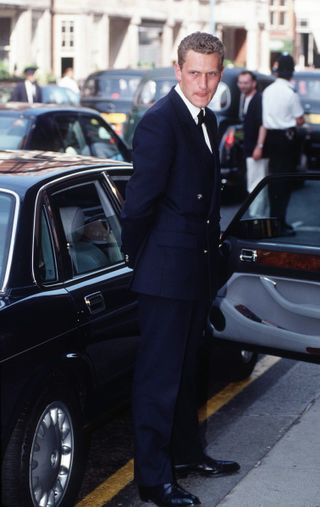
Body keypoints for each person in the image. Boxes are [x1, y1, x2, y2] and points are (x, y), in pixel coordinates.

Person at [121, 32, 240, 507]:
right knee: (158, 380)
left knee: (188, 371)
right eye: (194, 72)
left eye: (212, 73)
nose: (203, 83)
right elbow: (138, 206)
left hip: (195, 268)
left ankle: (187, 454)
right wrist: (141, 259)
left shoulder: (206, 119)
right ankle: (154, 480)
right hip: (165, 273)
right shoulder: (160, 122)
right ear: (177, 70)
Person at [257, 53, 304, 233]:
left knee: (273, 181)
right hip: (286, 139)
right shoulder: (290, 92)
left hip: (270, 137)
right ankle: (280, 222)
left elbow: (265, 119)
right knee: (285, 183)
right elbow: (299, 119)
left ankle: (272, 220)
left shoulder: (268, 91)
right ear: (291, 72)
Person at [237, 70, 268, 194]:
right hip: (248, 148)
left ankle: (258, 214)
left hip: (256, 150)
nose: (242, 85)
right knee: (252, 183)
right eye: (240, 83)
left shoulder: (258, 99)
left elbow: (263, 125)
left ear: (253, 83)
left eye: (246, 83)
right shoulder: (244, 98)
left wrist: (259, 147)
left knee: (257, 184)